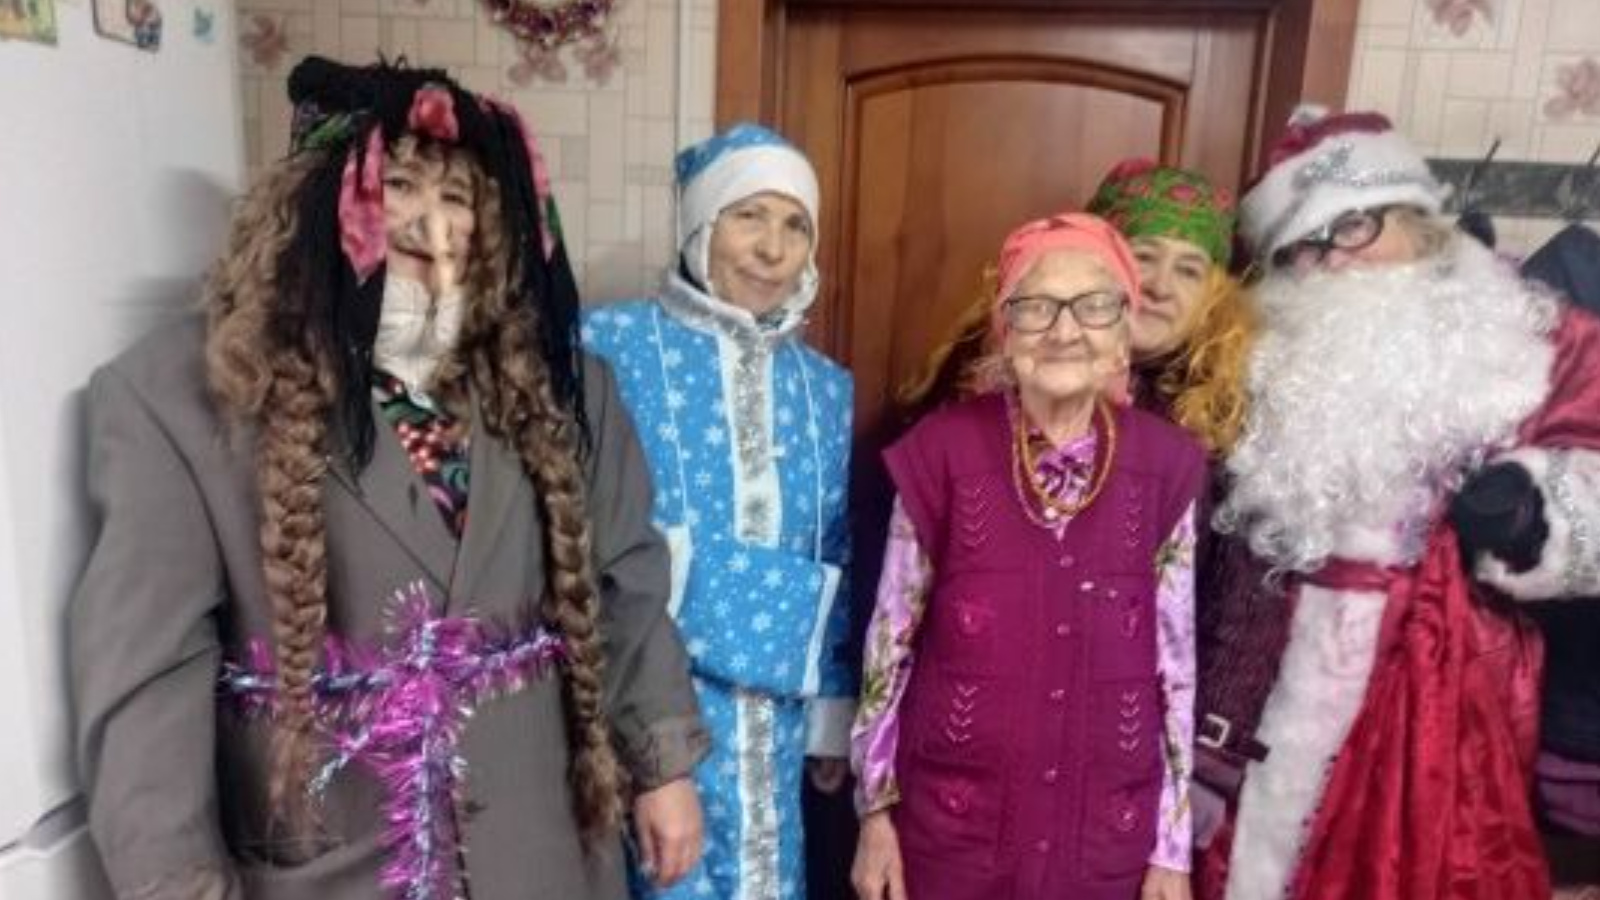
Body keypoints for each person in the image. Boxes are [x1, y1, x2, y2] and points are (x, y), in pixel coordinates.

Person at [67, 57, 708, 900]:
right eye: (397, 184)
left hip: (543, 857)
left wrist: (662, 764)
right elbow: (148, 687)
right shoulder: (177, 399)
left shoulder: (566, 386)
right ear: (310, 201)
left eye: (459, 196)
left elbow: (626, 579)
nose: (429, 221)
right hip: (336, 869)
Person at [1193, 109, 1600, 900]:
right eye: (1306, 245)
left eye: (1354, 226)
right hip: (1271, 678)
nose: (1335, 259)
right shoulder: (1261, 353)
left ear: (1414, 217)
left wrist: (1532, 512)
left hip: (1444, 686)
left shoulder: (1534, 333)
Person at [849, 213, 1206, 900]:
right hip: (952, 837)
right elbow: (888, 647)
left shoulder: (1166, 466)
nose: (1064, 331)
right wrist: (875, 813)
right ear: (1005, 329)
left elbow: (1176, 668)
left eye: (1094, 306)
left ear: (1123, 329)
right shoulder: (942, 452)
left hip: (1105, 838)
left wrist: (1171, 846)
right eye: (1036, 306)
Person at [583, 123, 855, 900]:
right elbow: (583, 534)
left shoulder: (825, 386)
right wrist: (743, 594)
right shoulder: (607, 345)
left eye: (796, 225)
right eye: (749, 216)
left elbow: (833, 553)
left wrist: (831, 713)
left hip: (777, 723)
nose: (772, 248)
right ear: (703, 222)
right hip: (649, 704)